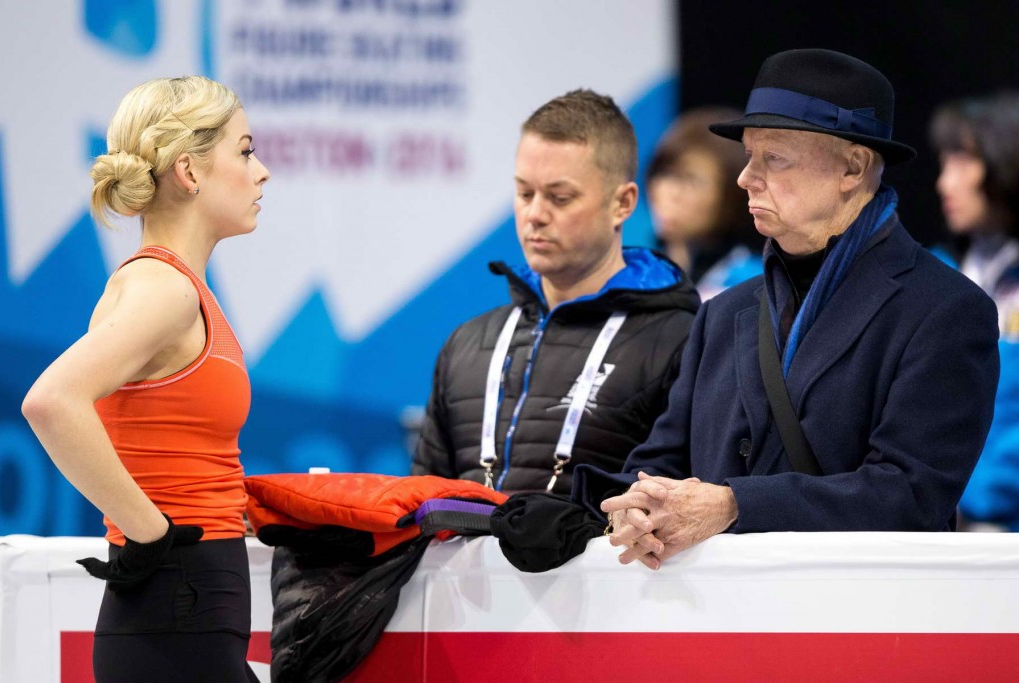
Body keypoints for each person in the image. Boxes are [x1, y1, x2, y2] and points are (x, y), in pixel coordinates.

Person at [572, 49, 1000, 569]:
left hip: (856, 630)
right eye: (749, 156)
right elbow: (658, 462)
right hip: (707, 625)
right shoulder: (723, 314)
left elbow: (910, 495)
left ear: (853, 167)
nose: (745, 177)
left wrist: (734, 505)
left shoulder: (946, 310)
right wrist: (632, 508)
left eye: (773, 158)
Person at [22, 76, 269, 681]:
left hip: (185, 609)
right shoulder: (165, 291)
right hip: (178, 607)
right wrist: (152, 535)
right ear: (188, 171)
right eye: (244, 150)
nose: (261, 171)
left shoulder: (169, 288)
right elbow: (52, 401)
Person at [411, 89, 700, 494]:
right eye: (524, 193)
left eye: (560, 198)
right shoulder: (467, 344)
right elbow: (419, 507)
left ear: (623, 204)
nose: (535, 215)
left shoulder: (684, 341)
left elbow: (683, 510)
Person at [930, 92, 1019, 529]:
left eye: (964, 163)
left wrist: (973, 499)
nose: (945, 184)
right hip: (933, 532)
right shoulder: (933, 275)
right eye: (945, 165)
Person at [646, 107, 763, 300]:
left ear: (732, 195)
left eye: (690, 180)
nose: (669, 192)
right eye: (664, 173)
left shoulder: (753, 285)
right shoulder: (634, 270)